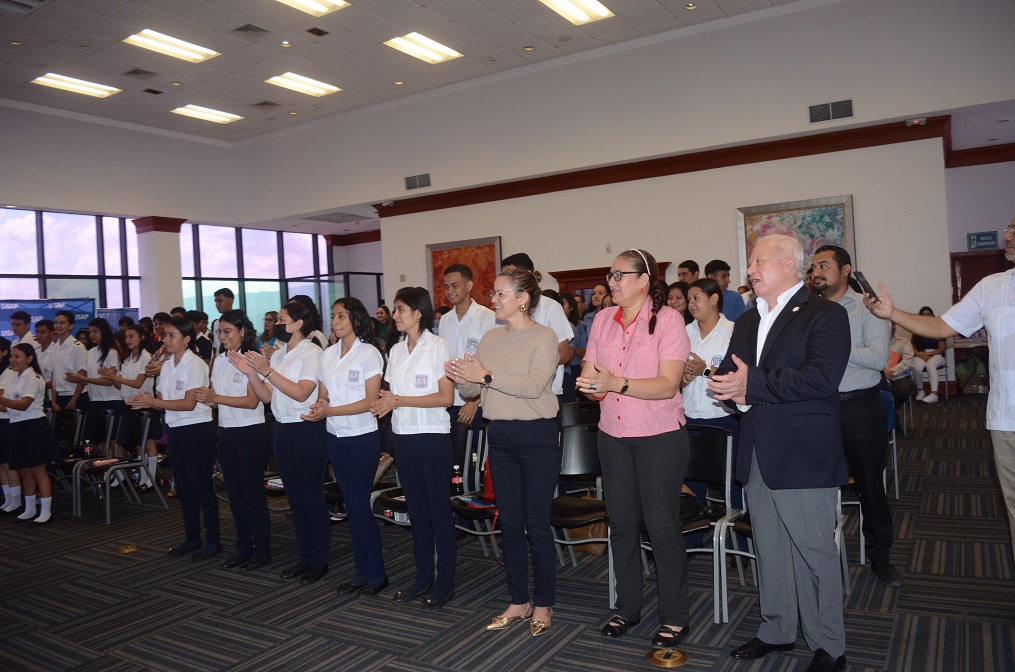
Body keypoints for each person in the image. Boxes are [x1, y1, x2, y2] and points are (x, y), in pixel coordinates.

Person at [708, 234, 850, 672]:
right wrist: (730, 389)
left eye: (758, 262)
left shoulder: (826, 315)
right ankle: (777, 629)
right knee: (770, 548)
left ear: (788, 264)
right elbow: (737, 377)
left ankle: (830, 645)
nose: (750, 269)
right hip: (756, 449)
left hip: (801, 451)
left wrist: (752, 384)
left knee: (813, 550)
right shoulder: (748, 320)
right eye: (750, 262)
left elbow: (821, 379)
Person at [864, 217, 1015, 572]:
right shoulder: (993, 287)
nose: (1006, 235)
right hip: (1006, 419)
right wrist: (892, 313)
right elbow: (941, 326)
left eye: (1014, 228)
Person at [576, 248, 691, 650]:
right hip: (613, 434)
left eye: (619, 274)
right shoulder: (603, 320)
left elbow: (668, 385)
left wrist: (615, 383)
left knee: (660, 525)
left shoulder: (669, 320)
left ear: (644, 280)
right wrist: (591, 386)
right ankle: (628, 607)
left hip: (659, 436)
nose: (612, 281)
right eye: (610, 274)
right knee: (622, 523)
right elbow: (592, 372)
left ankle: (675, 616)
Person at [446, 268, 560, 637]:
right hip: (500, 436)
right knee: (509, 523)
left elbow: (533, 385)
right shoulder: (491, 338)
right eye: (493, 294)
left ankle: (543, 602)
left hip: (537, 435)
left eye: (499, 294)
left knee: (537, 524)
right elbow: (471, 394)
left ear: (523, 298)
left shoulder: (544, 337)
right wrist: (463, 379)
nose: (493, 299)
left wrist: (486, 376)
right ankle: (518, 600)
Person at [811, 244, 900, 587]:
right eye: (814, 267)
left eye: (824, 265)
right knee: (814, 484)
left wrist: (834, 348)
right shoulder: (807, 309)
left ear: (845, 270)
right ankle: (818, 553)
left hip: (859, 406)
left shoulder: (868, 309)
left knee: (869, 486)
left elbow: (878, 359)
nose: (817, 272)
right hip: (818, 408)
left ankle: (881, 556)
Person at [370, 287, 456, 609]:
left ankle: (445, 582)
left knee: (438, 514)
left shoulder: (438, 346)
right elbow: (391, 392)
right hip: (404, 438)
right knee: (417, 514)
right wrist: (381, 403)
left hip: (432, 439)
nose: (395, 315)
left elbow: (445, 398)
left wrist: (397, 400)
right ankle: (423, 578)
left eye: (401, 309)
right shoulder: (395, 351)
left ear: (418, 312)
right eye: (394, 309)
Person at [303, 297, 388, 595]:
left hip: (362, 436)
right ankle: (362, 571)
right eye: (334, 316)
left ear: (355, 319)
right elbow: (324, 394)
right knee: (351, 507)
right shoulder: (328, 355)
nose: (336, 322)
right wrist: (320, 405)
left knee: (360, 505)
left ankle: (376, 573)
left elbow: (369, 402)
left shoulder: (369, 354)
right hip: (335, 437)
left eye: (341, 316)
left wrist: (329, 411)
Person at [245, 301, 329, 582]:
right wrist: (252, 373)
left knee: (311, 496)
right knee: (295, 499)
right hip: (283, 430)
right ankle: (305, 556)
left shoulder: (312, 352)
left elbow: (303, 392)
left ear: (298, 324)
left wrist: (268, 370)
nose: (277, 324)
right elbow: (268, 396)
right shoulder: (280, 354)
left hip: (307, 429)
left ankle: (319, 559)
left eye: (282, 319)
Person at [129, 317, 219, 558]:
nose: (165, 340)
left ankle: (213, 539)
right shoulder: (168, 365)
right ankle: (192, 537)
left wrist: (154, 401)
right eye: (164, 335)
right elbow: (162, 402)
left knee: (201, 487)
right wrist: (145, 400)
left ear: (186, 339)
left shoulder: (195, 364)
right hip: (175, 429)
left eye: (171, 336)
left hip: (197, 429)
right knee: (184, 487)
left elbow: (189, 404)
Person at [193, 309, 272, 571]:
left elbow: (252, 402)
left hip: (250, 430)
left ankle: (261, 549)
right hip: (226, 430)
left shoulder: (253, 358)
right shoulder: (219, 359)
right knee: (235, 494)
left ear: (242, 332)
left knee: (252, 494)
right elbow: (221, 396)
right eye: (219, 332)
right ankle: (243, 547)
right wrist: (208, 396)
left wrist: (214, 398)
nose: (222, 336)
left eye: (228, 331)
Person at [680, 278, 739, 505]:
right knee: (692, 485)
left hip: (723, 420)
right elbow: (679, 383)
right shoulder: (684, 333)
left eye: (696, 298)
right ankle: (694, 538)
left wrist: (704, 369)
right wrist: (686, 377)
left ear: (714, 299)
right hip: (690, 419)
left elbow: (737, 377)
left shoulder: (733, 332)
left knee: (731, 486)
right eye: (689, 300)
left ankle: (736, 540)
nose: (691, 304)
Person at [438, 264, 496, 474]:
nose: (450, 291)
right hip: (449, 399)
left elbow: (492, 364)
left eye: (455, 285)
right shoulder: (444, 320)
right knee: (454, 462)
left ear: (469, 285)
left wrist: (474, 401)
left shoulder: (488, 317)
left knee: (478, 461)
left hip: (477, 402)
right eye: (446, 287)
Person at [500, 253, 573, 408]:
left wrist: (528, 361)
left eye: (510, 275)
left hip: (544, 393)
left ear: (526, 275)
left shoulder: (550, 307)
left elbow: (565, 354)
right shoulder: (503, 311)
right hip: (509, 391)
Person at [0, 344, 58, 523]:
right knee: (24, 470)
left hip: (33, 426)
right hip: (17, 425)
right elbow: (6, 406)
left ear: (29, 359)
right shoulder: (14, 378)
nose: (13, 360)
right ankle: (30, 508)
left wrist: (1, 399)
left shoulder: (33, 377)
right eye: (11, 356)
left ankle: (46, 511)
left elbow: (24, 404)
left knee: (39, 470)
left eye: (17, 357)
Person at [99, 325, 161, 490]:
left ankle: (151, 479)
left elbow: (138, 383)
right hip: (128, 403)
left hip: (144, 402)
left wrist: (114, 376)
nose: (127, 340)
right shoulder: (126, 359)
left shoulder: (146, 358)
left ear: (141, 337)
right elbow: (122, 387)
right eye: (126, 337)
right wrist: (111, 377)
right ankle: (142, 478)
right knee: (139, 444)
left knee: (149, 442)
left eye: (131, 336)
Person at [66, 318, 123, 455]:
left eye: (95, 331)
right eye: (90, 332)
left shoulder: (111, 352)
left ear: (104, 331)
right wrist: (76, 379)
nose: (92, 335)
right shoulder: (90, 352)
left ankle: (120, 475)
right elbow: (85, 378)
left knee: (114, 441)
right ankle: (108, 473)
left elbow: (109, 381)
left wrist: (83, 378)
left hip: (111, 399)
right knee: (103, 440)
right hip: (95, 400)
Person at [0, 337, 22, 514]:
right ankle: (8, 498)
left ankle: (15, 499)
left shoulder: (8, 372)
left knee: (8, 462)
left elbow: (4, 403)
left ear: (4, 352)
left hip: (7, 420)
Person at [50, 309, 87, 412]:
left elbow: (82, 376)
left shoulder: (78, 347)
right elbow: (54, 375)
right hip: (59, 397)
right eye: (56, 323)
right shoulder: (54, 347)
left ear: (71, 326)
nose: (58, 326)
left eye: (62, 323)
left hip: (76, 397)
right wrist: (53, 401)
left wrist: (73, 401)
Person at [910, 306, 946, 403]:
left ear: (932, 315)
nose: (926, 316)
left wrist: (929, 354)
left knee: (930, 365)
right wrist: (919, 354)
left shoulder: (938, 328)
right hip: (921, 354)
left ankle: (934, 394)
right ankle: (920, 391)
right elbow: (913, 346)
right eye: (923, 314)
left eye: (928, 314)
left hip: (936, 354)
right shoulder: (916, 329)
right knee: (916, 366)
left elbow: (942, 348)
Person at [885, 324, 914, 425]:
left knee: (903, 391)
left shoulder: (904, 341)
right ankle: (891, 419)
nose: (892, 327)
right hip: (880, 378)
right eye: (888, 325)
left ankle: (888, 417)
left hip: (900, 377)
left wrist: (892, 372)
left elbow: (908, 361)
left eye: (893, 325)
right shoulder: (875, 342)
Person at [34, 319, 55, 404]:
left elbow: (58, 380)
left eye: (42, 332)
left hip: (52, 398)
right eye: (37, 332)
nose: (39, 335)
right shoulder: (35, 352)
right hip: (36, 397)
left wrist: (39, 386)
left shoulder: (56, 351)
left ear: (51, 333)